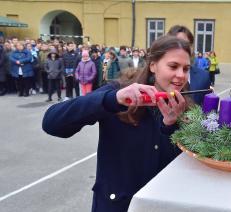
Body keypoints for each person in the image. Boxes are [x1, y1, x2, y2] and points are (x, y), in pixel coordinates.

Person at [42, 36, 192, 212]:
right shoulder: (119, 91)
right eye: (173, 66)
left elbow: (182, 166)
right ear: (153, 65)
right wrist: (112, 100)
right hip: (116, 205)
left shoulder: (187, 106)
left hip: (160, 206)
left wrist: (170, 127)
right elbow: (52, 123)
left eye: (186, 68)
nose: (181, 75)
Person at [167, 25, 210, 105]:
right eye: (178, 43)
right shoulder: (159, 75)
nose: (183, 48)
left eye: (187, 44)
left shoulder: (204, 76)